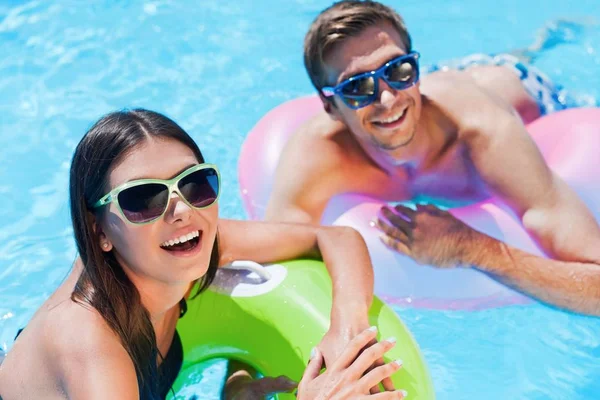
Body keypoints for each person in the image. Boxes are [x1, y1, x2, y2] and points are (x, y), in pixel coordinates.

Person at [0, 109, 406, 399]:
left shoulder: (188, 245)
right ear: (100, 231)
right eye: (143, 198)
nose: (181, 211)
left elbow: (334, 238)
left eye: (195, 184)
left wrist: (346, 334)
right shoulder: (90, 346)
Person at [264, 0, 600, 315]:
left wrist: (471, 247)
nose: (386, 98)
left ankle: (547, 40)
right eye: (357, 87)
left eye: (399, 70)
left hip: (514, 88)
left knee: (508, 67)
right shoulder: (316, 154)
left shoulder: (482, 133)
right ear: (329, 107)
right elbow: (270, 275)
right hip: (441, 92)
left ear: (416, 70)